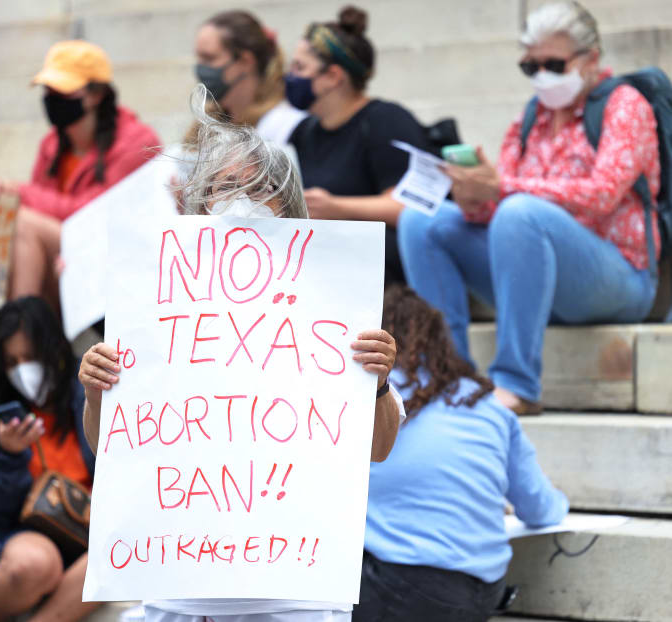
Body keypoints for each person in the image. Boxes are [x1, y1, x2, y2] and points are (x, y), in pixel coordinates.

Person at [77, 87, 405, 622]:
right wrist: (97, 392)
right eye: (226, 187)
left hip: (293, 596)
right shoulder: (154, 302)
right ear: (197, 202)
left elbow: (379, 448)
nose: (243, 199)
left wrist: (380, 384)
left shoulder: (334, 300)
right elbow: (111, 448)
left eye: (260, 188)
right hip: (178, 589)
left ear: (288, 202)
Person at [398, 0, 661, 415]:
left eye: (554, 65)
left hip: (617, 278)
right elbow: (501, 210)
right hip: (536, 270)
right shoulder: (530, 118)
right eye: (530, 67)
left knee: (521, 210)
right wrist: (474, 199)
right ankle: (446, 375)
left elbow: (603, 192)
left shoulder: (625, 106)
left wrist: (503, 188)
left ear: (590, 58)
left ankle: (516, 383)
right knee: (422, 221)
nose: (542, 76)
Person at [353, 285, 568, 622]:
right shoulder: (488, 405)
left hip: (401, 590)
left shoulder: (371, 401)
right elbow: (542, 509)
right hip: (485, 591)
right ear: (442, 341)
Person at [0, 296, 100, 622]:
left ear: (53, 351)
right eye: (12, 362)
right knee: (33, 565)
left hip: (88, 532)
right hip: (22, 533)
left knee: (113, 559)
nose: (23, 370)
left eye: (30, 357)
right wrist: (8, 457)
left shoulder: (83, 396)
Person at [0, 40, 160, 303]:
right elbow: (42, 207)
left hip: (110, 256)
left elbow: (94, 214)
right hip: (63, 255)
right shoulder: (51, 143)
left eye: (62, 91)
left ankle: (20, 335)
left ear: (96, 94)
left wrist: (17, 191)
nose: (52, 99)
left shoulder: (137, 142)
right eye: (48, 90)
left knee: (22, 223)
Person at [286, 6, 434, 283]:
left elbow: (412, 209)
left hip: (387, 273)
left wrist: (337, 208)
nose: (290, 76)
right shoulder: (304, 132)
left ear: (333, 77)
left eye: (299, 67)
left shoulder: (385, 120)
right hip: (332, 265)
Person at [193, 10, 306, 144]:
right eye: (199, 58)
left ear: (245, 61)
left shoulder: (283, 125)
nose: (200, 67)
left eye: (209, 58)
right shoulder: (206, 127)